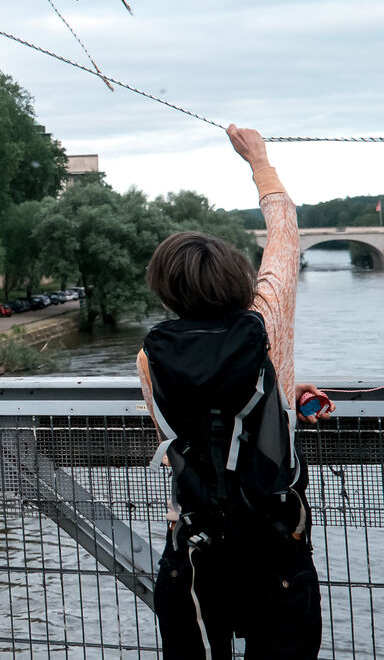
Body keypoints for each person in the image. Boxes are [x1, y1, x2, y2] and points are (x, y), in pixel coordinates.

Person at [138, 125, 335, 659]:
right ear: (237, 278)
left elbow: (188, 423)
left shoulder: (150, 357)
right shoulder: (266, 322)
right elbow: (285, 233)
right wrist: (258, 160)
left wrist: (283, 390)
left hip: (195, 549)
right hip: (275, 547)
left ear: (165, 291)